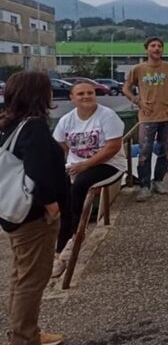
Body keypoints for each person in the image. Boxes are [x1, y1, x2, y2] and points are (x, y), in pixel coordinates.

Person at [0, 71, 66, 345]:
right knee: (32, 279)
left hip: (12, 212)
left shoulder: (10, 124)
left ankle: (23, 331)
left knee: (20, 275)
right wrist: (52, 207)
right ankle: (25, 338)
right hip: (32, 216)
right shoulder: (34, 127)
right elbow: (39, 173)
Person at [51, 82, 126, 278]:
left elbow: (113, 147)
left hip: (108, 164)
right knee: (62, 197)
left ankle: (76, 238)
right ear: (72, 98)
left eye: (90, 93)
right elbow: (60, 146)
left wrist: (85, 164)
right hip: (75, 167)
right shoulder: (67, 120)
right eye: (81, 93)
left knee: (81, 185)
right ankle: (59, 250)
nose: (86, 96)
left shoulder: (107, 116)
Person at [122, 37, 168, 202]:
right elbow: (126, 89)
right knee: (145, 151)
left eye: (159, 46)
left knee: (164, 150)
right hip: (147, 117)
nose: (157, 48)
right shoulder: (138, 69)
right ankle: (144, 186)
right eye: (153, 46)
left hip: (167, 115)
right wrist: (137, 100)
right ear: (146, 49)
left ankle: (159, 180)